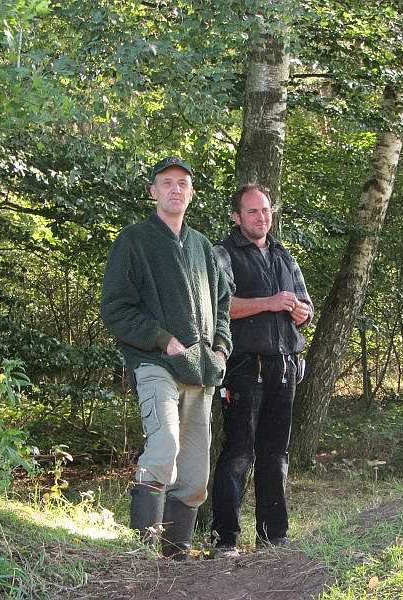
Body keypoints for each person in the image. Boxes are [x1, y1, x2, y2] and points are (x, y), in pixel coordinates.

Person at [100, 156, 232, 559]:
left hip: (202, 371)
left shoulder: (202, 246)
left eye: (183, 183)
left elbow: (223, 305)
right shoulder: (134, 240)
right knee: (164, 447)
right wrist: (162, 339)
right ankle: (144, 554)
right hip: (154, 364)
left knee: (194, 474)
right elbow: (116, 308)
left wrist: (221, 348)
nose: (176, 189)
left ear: (191, 193)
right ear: (153, 191)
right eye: (167, 182)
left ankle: (177, 557)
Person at [210, 183, 313, 557]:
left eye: (265, 210)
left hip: (284, 365)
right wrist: (270, 302)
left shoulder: (285, 256)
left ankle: (274, 537)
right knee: (239, 453)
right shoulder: (223, 254)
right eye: (252, 211)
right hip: (242, 365)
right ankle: (224, 539)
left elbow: (306, 308)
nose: (261, 217)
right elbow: (219, 308)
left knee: (275, 454)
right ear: (237, 217)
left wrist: (300, 312)